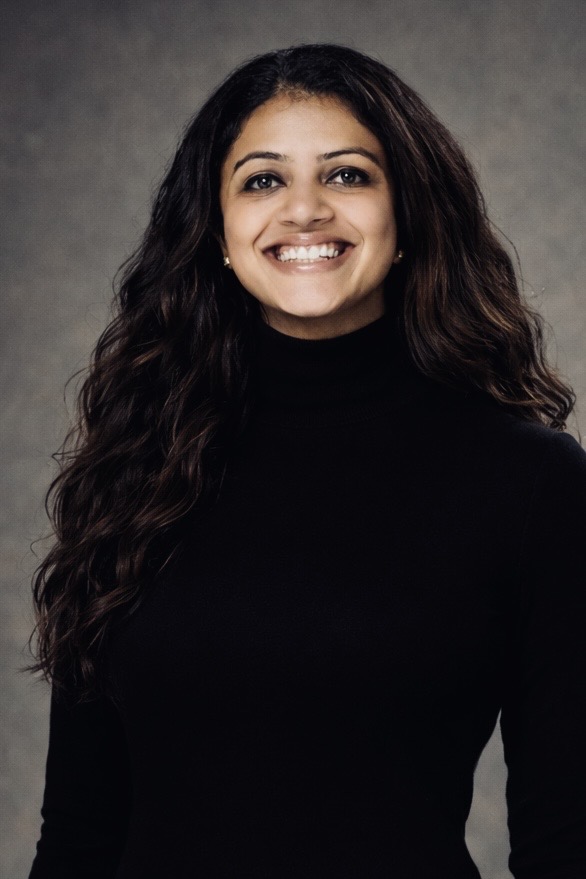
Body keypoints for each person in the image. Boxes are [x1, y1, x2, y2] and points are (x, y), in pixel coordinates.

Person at [28, 43, 586, 879]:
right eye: (262, 180)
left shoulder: (531, 483)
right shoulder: (135, 466)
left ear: (408, 217)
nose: (304, 211)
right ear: (217, 232)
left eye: (348, 175)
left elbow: (567, 841)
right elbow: (77, 835)